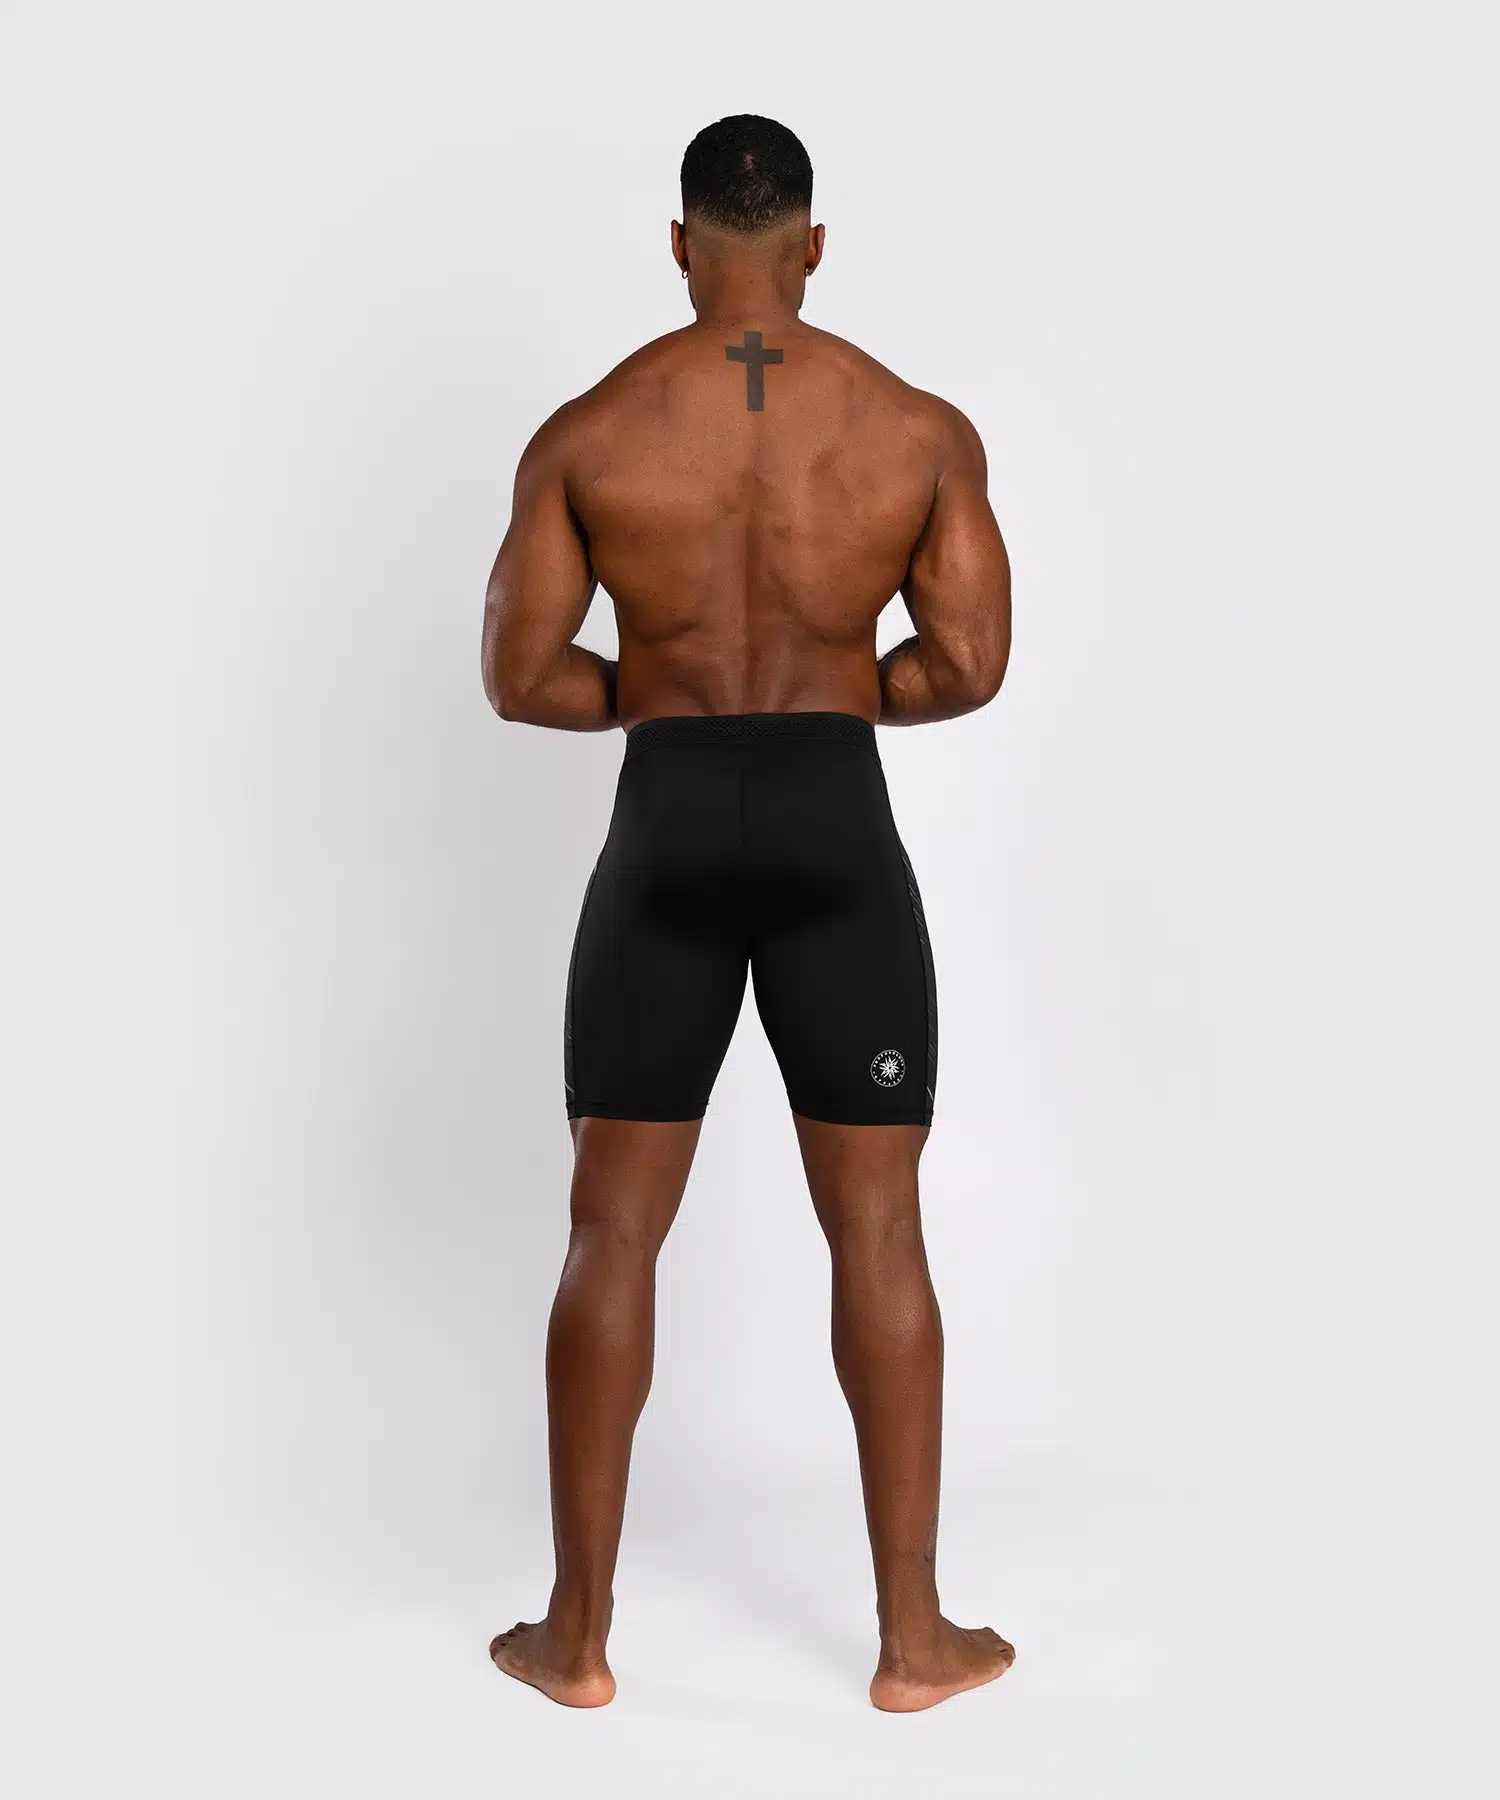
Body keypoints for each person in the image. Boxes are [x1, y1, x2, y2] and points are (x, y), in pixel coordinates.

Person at [482, 114, 1013, 1713]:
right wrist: (833, 697)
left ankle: (576, 1642)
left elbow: (522, 675)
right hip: (836, 821)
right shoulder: (914, 428)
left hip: (667, 823)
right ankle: (913, 1644)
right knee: (880, 1227)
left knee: (609, 1228)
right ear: (813, 246)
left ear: (681, 243)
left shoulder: (590, 433)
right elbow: (969, 664)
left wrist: (670, 697)